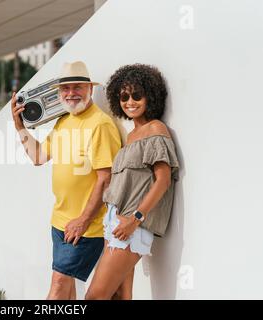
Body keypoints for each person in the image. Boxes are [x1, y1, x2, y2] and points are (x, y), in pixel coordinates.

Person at [11, 61, 121, 299]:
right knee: (67, 289)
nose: (71, 93)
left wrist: (83, 220)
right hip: (60, 221)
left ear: (89, 89)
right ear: (59, 93)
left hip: (87, 226)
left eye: (77, 87)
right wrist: (19, 126)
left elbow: (106, 180)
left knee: (59, 286)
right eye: (66, 88)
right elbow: (39, 156)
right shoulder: (64, 120)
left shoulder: (100, 124)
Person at [85, 64, 180, 300]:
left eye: (137, 95)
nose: (130, 102)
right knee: (120, 295)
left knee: (95, 296)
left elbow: (163, 181)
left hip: (132, 224)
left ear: (150, 95)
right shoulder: (130, 136)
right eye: (124, 96)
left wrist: (135, 219)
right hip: (114, 222)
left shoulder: (156, 129)